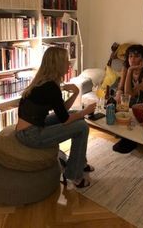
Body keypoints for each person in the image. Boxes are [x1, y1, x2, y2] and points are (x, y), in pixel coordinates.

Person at [15, 46, 96, 188]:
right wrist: (86, 111)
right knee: (82, 126)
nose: (69, 64)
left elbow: (63, 112)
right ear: (57, 64)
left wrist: (76, 93)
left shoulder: (44, 82)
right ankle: (74, 176)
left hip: (29, 128)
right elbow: (65, 120)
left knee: (75, 116)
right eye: (66, 61)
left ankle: (79, 163)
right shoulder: (51, 87)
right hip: (31, 135)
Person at [113, 44, 143, 153]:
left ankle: (130, 140)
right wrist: (118, 92)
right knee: (114, 103)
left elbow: (129, 94)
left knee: (128, 104)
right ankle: (124, 133)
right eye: (130, 56)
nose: (132, 59)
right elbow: (121, 86)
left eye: (136, 56)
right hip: (134, 100)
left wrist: (130, 71)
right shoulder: (125, 67)